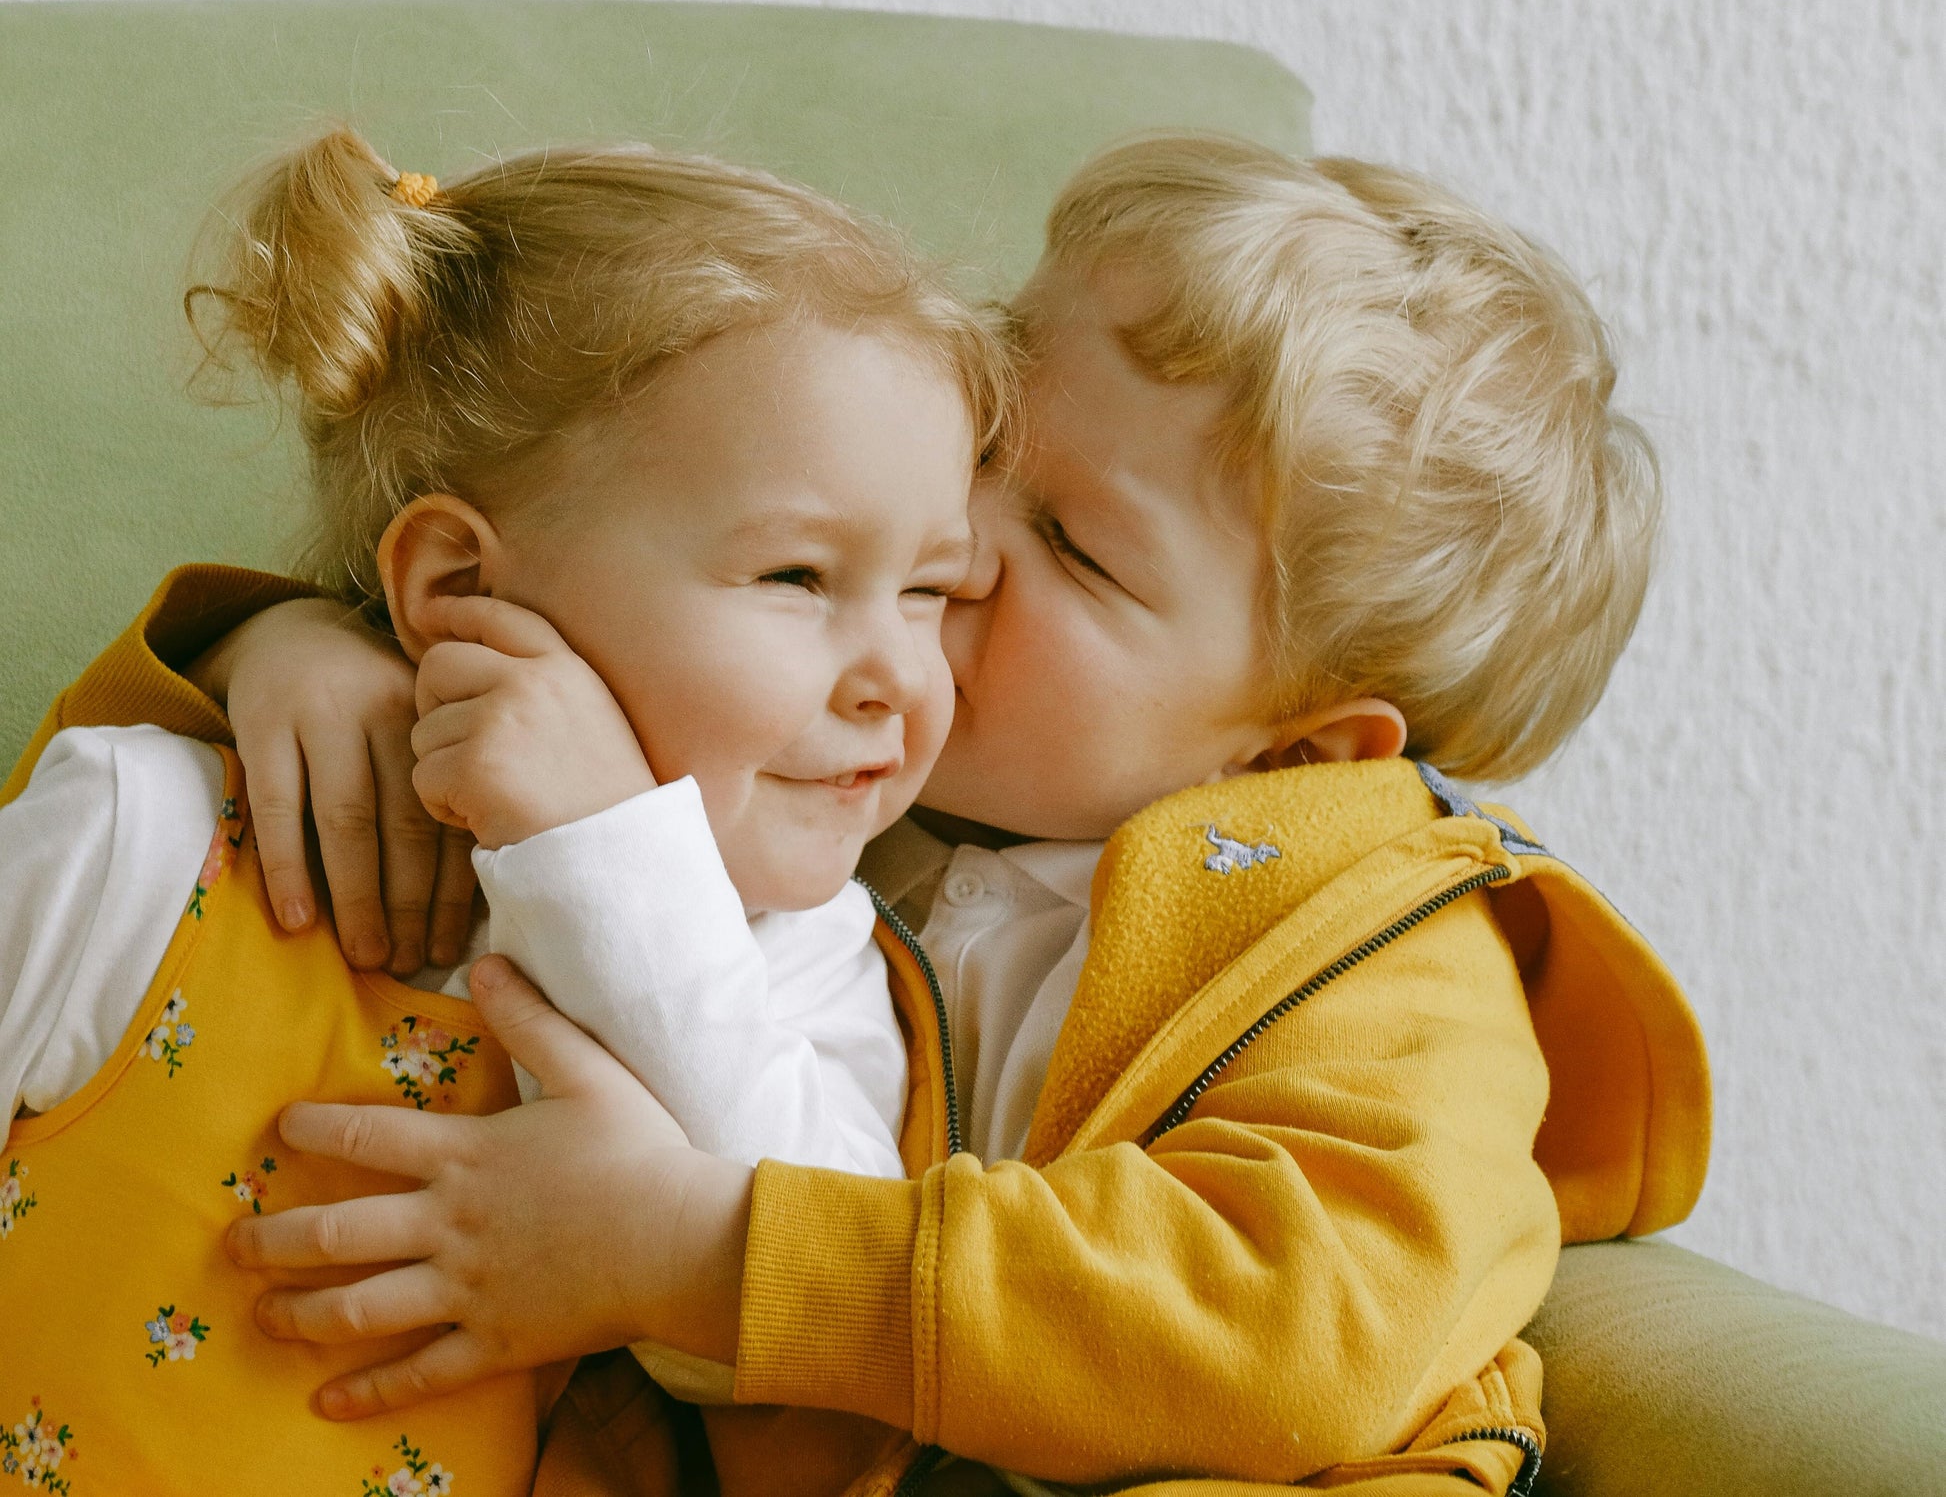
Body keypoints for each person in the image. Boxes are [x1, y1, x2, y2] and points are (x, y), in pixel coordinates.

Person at [3, 136, 1711, 1497]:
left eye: (1073, 543)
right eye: (985, 436)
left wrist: (703, 1253)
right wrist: (301, 641)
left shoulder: (1388, 961)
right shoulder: (865, 804)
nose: (954, 537)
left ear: (1286, 758)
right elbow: (592, 562)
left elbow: (1287, 1333)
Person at [0, 130, 1012, 1487]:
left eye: (931, 589)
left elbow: (811, 1335)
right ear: (458, 584)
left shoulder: (811, 963)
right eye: (794, 573)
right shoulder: (146, 833)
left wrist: (603, 851)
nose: (900, 673)